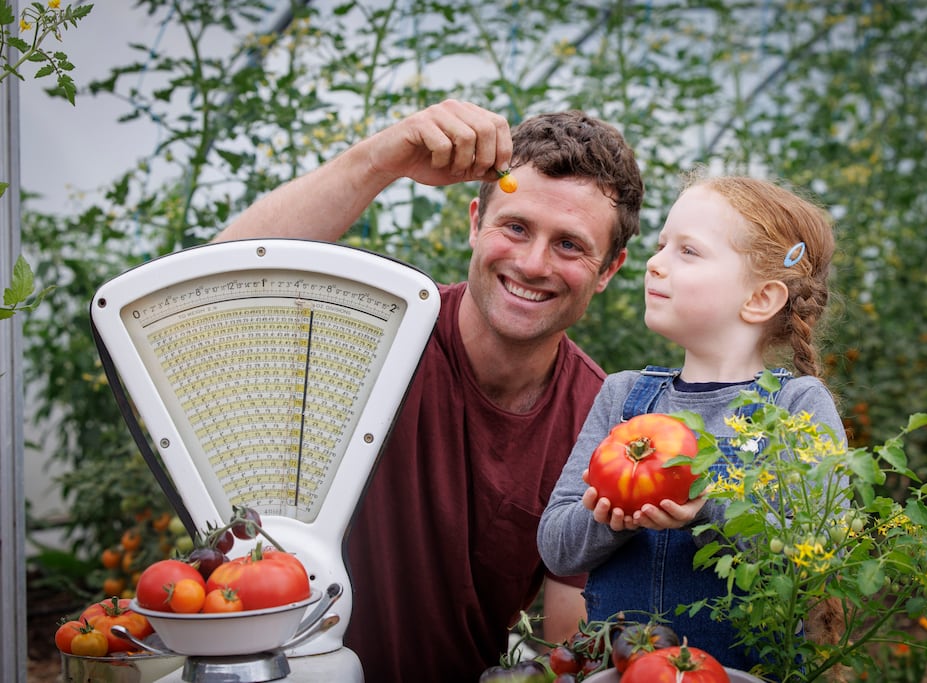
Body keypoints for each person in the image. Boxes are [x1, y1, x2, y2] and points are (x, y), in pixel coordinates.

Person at [215, 100, 645, 683]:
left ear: (610, 269)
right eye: (514, 227)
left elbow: (568, 640)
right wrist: (379, 159)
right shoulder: (379, 335)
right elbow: (217, 285)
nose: (533, 262)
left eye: (570, 244)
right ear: (475, 222)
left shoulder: (598, 426)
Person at [536, 172, 846, 672]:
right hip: (622, 673)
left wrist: (710, 510)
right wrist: (612, 516)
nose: (654, 264)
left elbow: (816, 554)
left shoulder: (795, 406)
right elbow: (556, 548)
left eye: (688, 252)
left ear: (760, 298)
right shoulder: (623, 396)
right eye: (660, 246)